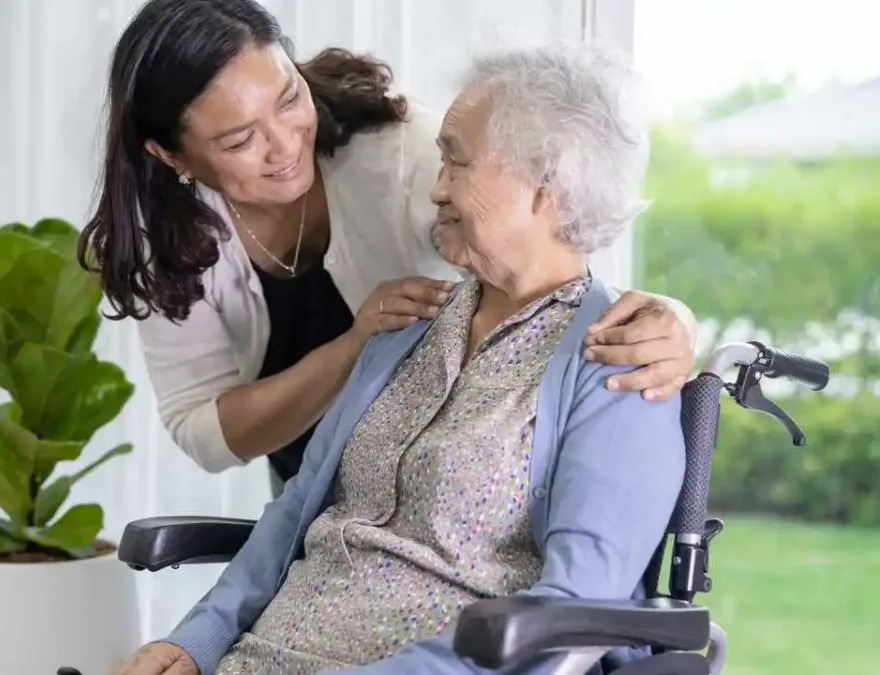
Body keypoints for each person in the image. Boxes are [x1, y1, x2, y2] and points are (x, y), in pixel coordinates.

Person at [114, 41, 686, 675]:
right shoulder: (404, 327)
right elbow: (298, 506)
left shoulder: (619, 363)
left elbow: (577, 607)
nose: (437, 188)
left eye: (457, 164)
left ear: (545, 187)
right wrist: (195, 639)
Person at [79, 0, 696, 488]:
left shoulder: (406, 154)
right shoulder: (164, 239)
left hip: (452, 489)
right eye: (241, 140)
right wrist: (353, 349)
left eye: (290, 98)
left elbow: (558, 249)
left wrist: (669, 322)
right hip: (322, 506)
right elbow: (205, 432)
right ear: (171, 155)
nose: (286, 144)